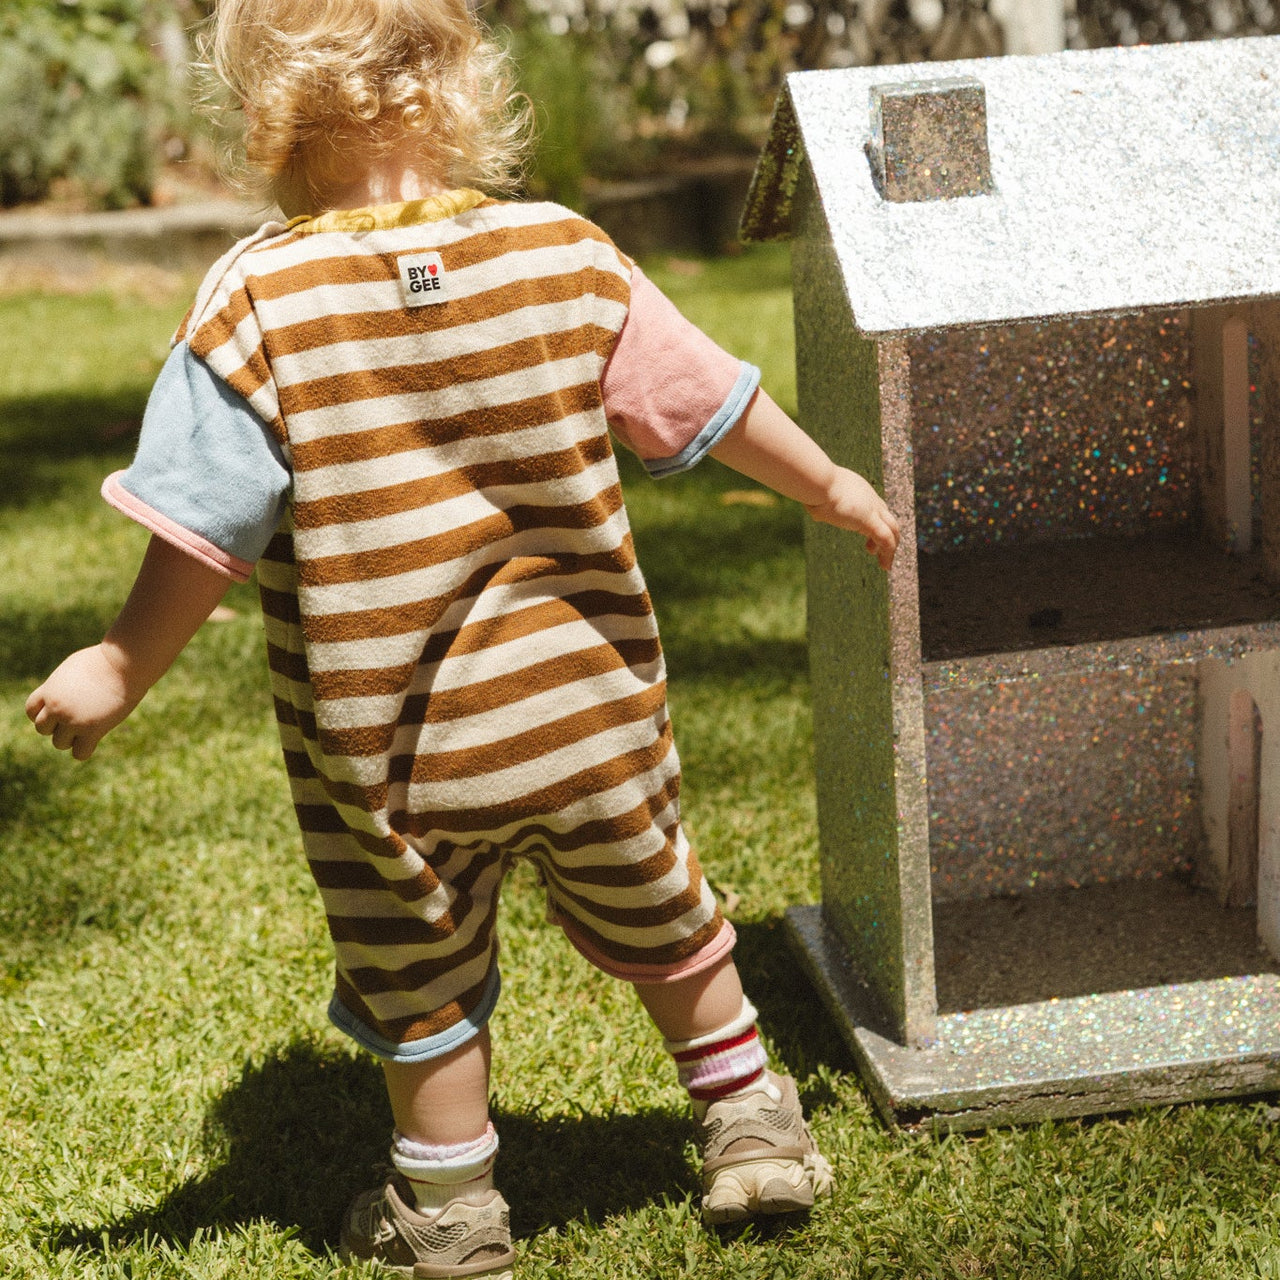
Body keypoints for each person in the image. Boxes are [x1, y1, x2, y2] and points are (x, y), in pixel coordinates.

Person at [25, 0, 900, 1274]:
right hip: (585, 715)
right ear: (459, 84)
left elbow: (200, 525)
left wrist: (116, 664)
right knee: (668, 911)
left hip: (393, 752)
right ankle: (751, 1122)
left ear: (263, 112)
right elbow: (704, 399)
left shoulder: (256, 298)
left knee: (415, 969)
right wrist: (827, 483)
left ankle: (449, 1209)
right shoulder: (564, 253)